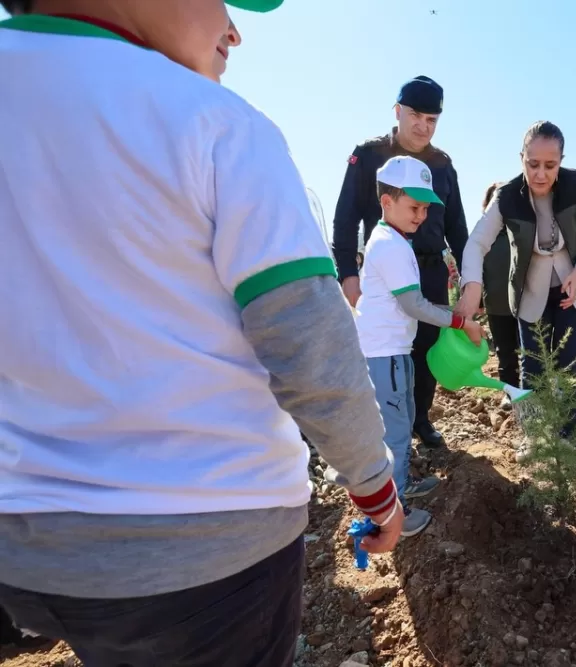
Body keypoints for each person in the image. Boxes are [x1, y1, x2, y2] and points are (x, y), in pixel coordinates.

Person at [0, 2, 404, 665]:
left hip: (24, 545)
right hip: (204, 553)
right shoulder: (214, 123)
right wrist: (373, 487)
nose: (235, 30)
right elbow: (309, 340)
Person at [332, 76, 467, 449]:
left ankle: (419, 420)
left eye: (432, 119)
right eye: (416, 116)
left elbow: (457, 226)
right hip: (380, 275)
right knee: (384, 355)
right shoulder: (369, 155)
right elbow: (344, 220)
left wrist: (472, 279)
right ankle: (380, 436)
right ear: (398, 112)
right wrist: (346, 275)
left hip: (429, 271)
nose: (423, 126)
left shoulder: (441, 164)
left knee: (425, 353)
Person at [456, 122, 576, 455]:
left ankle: (567, 433)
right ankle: (534, 436)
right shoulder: (506, 196)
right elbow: (476, 243)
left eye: (550, 165)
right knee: (533, 366)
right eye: (532, 164)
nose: (540, 174)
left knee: (569, 364)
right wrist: (472, 285)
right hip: (530, 294)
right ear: (521, 158)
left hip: (572, 291)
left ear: (561, 160)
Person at [356, 156, 483, 537]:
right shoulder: (389, 246)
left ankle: (401, 484)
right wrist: (460, 320)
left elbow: (410, 302)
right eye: (414, 207)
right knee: (394, 432)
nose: (421, 215)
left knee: (403, 416)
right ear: (387, 202)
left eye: (426, 207)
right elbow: (412, 305)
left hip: (395, 350)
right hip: (386, 354)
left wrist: (451, 312)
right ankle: (392, 515)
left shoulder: (394, 240)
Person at [480, 181, 522, 405]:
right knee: (505, 354)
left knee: (529, 352)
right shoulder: (483, 235)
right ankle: (510, 393)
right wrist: (476, 300)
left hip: (526, 304)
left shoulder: (523, 228)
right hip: (496, 304)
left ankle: (533, 393)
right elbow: (476, 270)